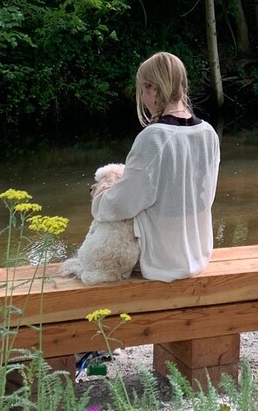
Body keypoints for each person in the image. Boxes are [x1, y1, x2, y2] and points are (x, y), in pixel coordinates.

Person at [89, 51, 220, 281]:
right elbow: (205, 199)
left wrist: (99, 199)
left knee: (106, 212)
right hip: (199, 252)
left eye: (143, 90)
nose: (143, 97)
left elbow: (124, 204)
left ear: (154, 89)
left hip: (163, 261)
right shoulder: (208, 133)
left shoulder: (154, 137)